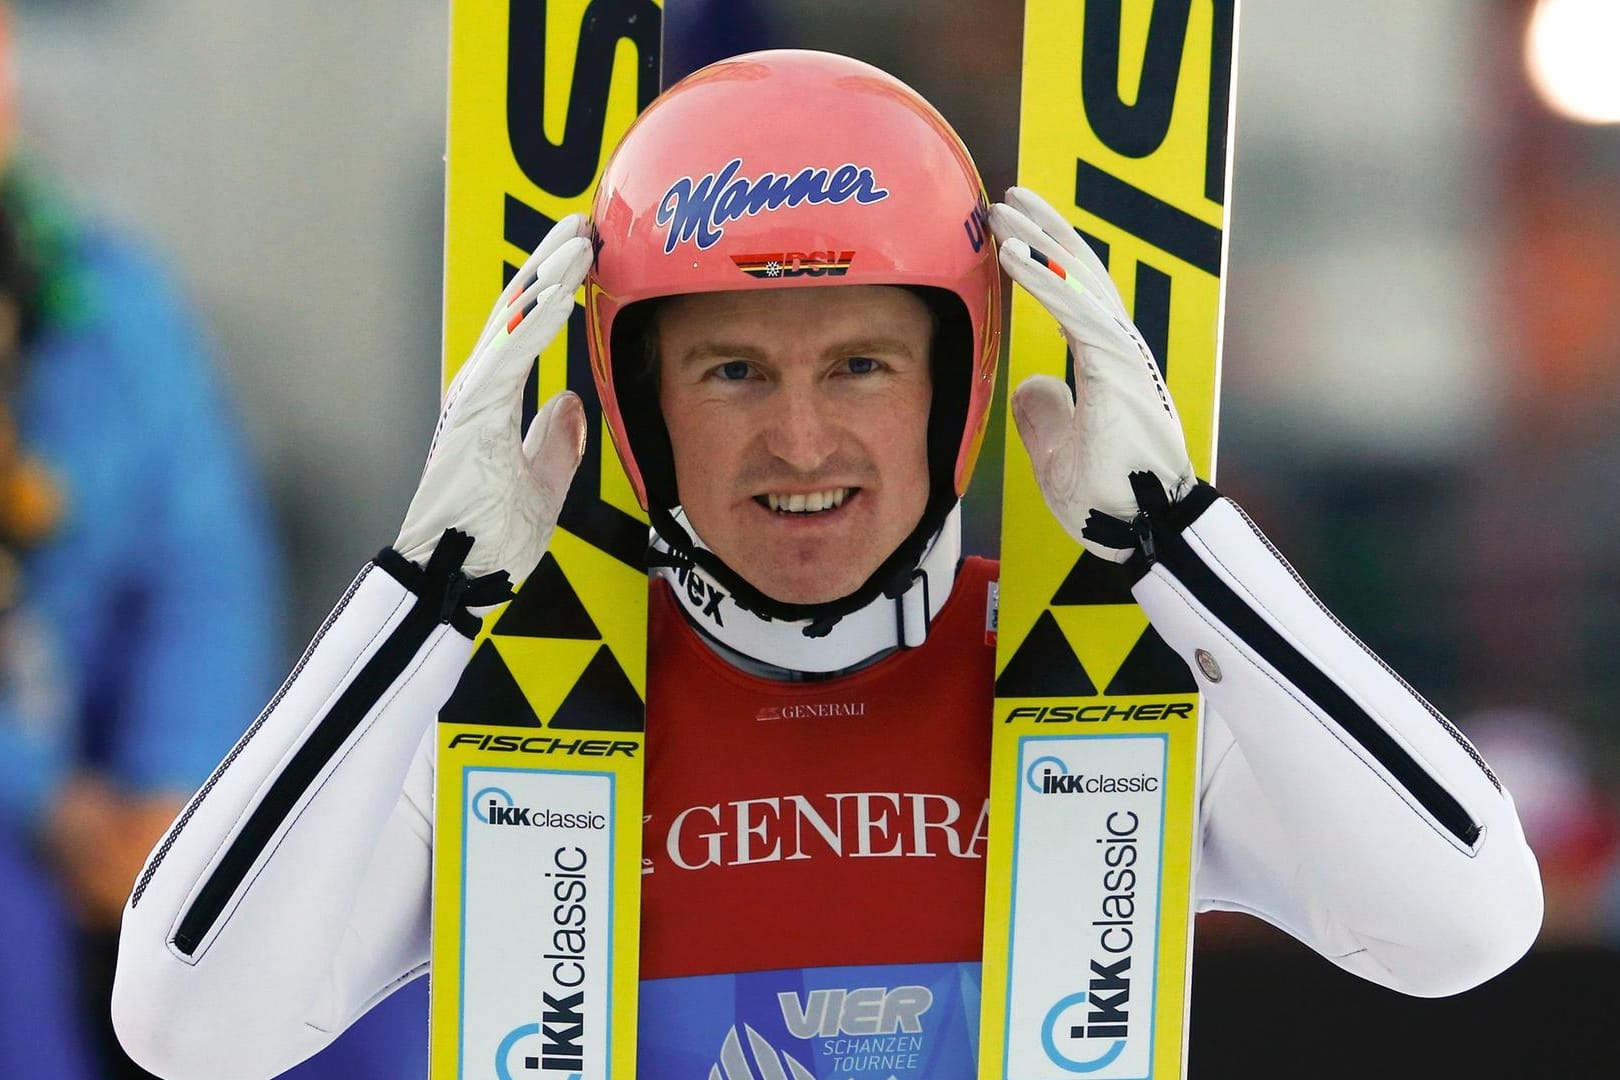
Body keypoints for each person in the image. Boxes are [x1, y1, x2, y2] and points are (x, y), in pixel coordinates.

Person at [109, 50, 1542, 1079]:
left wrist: (1181, 543)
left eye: (861, 364)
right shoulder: (519, 720)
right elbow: (188, 1028)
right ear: (641, 411)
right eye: (731, 371)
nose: (800, 443)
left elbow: (1469, 925)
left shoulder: (1100, 683)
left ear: (955, 391)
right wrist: (424, 594)